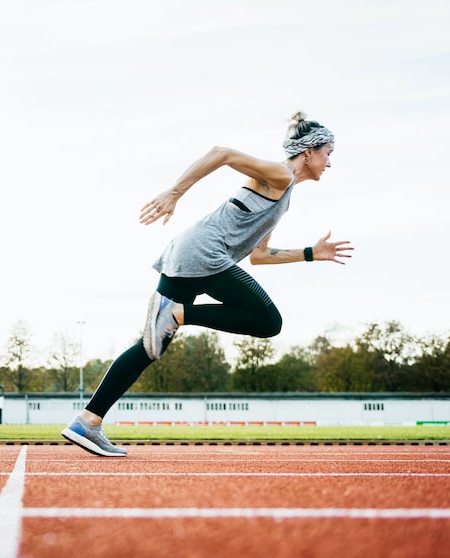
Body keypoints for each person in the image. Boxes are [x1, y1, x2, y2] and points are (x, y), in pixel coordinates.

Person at [62, 112, 354, 457]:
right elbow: (222, 153)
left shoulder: (284, 194)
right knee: (268, 321)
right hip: (204, 254)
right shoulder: (280, 174)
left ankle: (87, 421)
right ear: (308, 152)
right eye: (327, 153)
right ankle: (181, 314)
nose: (329, 163)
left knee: (149, 346)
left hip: (191, 255)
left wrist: (309, 253)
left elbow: (259, 255)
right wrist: (174, 194)